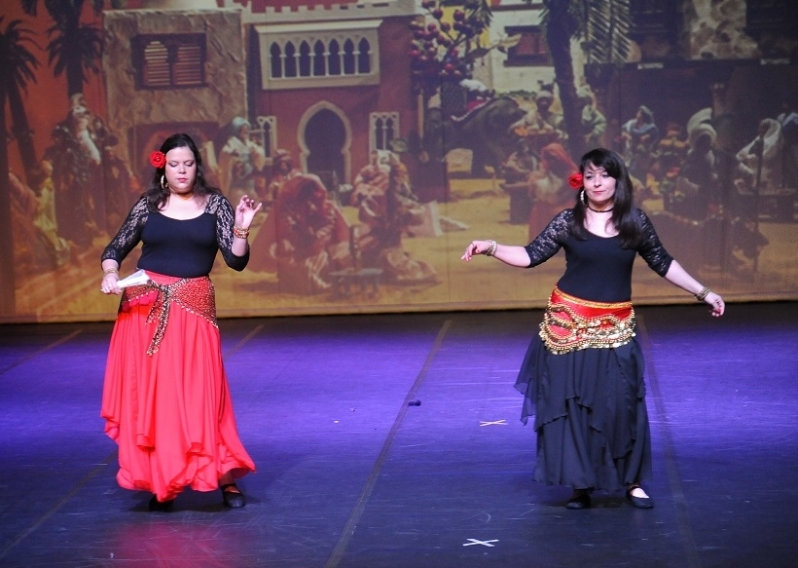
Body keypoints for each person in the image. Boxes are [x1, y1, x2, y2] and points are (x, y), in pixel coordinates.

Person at [461, 148, 725, 510]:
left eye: (604, 175)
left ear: (617, 179)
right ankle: (580, 484)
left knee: (622, 404)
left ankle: (631, 482)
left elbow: (663, 262)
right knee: (573, 408)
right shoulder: (568, 222)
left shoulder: (635, 222)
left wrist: (704, 292)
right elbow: (530, 255)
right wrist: (489, 246)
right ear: (582, 181)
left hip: (615, 327)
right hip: (567, 327)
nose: (597, 182)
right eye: (590, 176)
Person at [99, 133, 262, 511]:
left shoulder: (215, 203)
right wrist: (110, 273)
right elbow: (115, 249)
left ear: (197, 166)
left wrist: (241, 228)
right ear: (163, 167)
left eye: (188, 163)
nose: (182, 170)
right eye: (174, 164)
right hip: (144, 307)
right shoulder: (148, 205)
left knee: (203, 395)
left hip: (193, 307)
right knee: (156, 399)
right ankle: (162, 481)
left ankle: (222, 474)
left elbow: (236, 261)